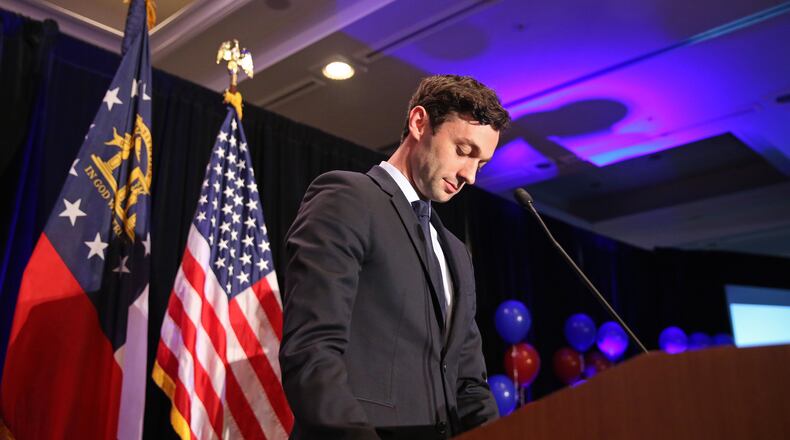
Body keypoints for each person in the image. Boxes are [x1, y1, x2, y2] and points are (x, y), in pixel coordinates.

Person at [280, 74, 511, 439]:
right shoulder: (348, 198)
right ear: (420, 123)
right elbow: (312, 355)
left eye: (480, 164)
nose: (470, 176)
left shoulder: (455, 252)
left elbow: (468, 383)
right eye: (464, 151)